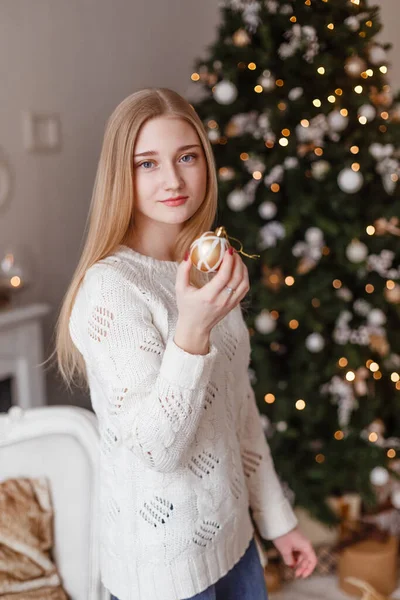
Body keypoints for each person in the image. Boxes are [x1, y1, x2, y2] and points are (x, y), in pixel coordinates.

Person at [54, 88, 317, 600]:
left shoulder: (201, 270)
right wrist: (192, 331)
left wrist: (277, 521)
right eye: (146, 163)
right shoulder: (111, 288)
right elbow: (159, 449)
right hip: (162, 576)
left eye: (187, 157)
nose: (173, 180)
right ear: (120, 177)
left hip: (235, 546)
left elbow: (238, 411)